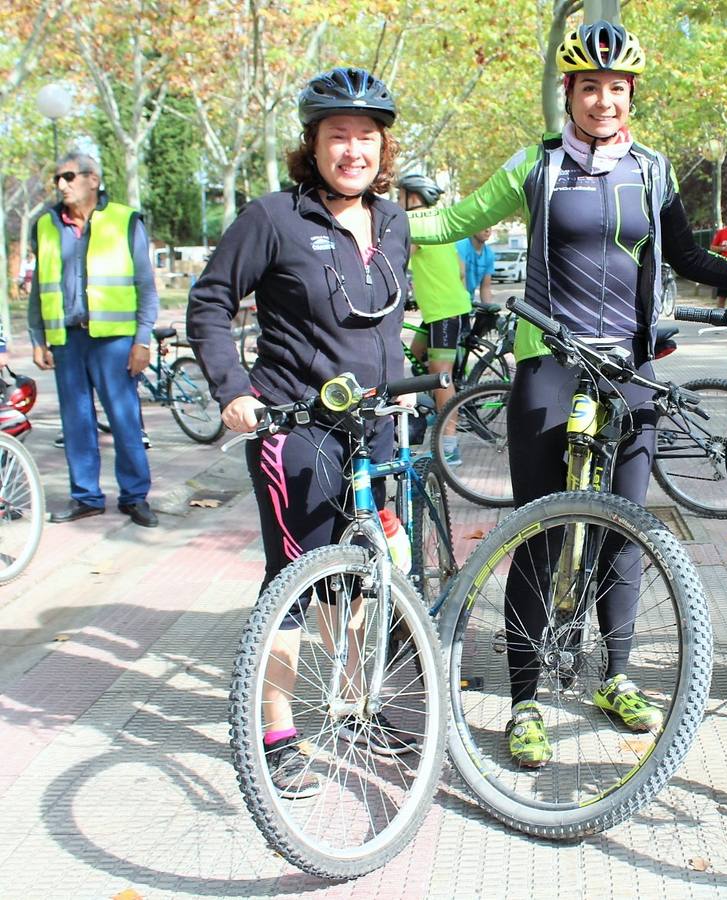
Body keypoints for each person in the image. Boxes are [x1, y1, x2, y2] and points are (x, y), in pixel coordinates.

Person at [407, 20, 727, 767]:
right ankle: (525, 697)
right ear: (568, 92)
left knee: (623, 530)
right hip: (548, 362)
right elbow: (457, 220)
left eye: (617, 89)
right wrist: (375, 219)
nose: (604, 100)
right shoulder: (536, 168)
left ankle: (616, 674)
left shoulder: (654, 171)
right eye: (589, 87)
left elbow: (688, 255)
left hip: (628, 366)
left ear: (631, 96)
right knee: (536, 529)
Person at [186, 66, 416, 798]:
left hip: (375, 430)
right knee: (293, 587)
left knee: (364, 582)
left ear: (384, 146)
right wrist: (233, 391)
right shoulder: (273, 218)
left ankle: (353, 708)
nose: (353, 149)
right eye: (337, 136)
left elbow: (387, 324)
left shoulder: (395, 221)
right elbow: (210, 302)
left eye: (366, 137)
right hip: (298, 430)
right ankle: (277, 729)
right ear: (312, 145)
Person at [28, 152, 158, 528]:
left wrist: (142, 340)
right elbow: (39, 286)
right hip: (67, 339)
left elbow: (145, 287)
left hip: (115, 340)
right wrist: (37, 336)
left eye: (69, 176)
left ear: (93, 179)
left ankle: (135, 497)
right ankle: (86, 496)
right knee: (76, 422)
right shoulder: (46, 225)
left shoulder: (124, 220)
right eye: (58, 178)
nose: (62, 184)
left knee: (124, 419)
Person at [398, 173, 471, 464]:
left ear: (412, 197)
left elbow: (396, 260)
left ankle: (449, 443)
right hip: (445, 308)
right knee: (417, 359)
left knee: (442, 377)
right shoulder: (438, 220)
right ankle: (433, 412)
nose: (396, 200)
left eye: (400, 195)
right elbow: (461, 268)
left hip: (443, 311)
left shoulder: (414, 223)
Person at [457, 227, 496, 305]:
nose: (487, 230)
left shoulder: (489, 253)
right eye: (484, 225)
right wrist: (465, 304)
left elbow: (485, 287)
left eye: (490, 227)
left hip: (468, 302)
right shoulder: (461, 246)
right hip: (454, 302)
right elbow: (461, 278)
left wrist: (488, 308)